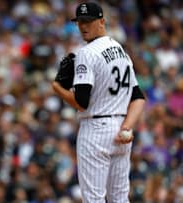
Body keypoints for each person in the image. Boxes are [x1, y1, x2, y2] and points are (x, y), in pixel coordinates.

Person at [52, 2, 146, 202]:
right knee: (119, 198)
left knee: (94, 199)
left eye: (88, 21)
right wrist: (127, 128)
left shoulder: (86, 52)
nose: (83, 26)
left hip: (95, 130)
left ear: (102, 21)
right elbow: (137, 98)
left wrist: (58, 89)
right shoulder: (120, 51)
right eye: (80, 22)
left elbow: (82, 102)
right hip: (120, 130)